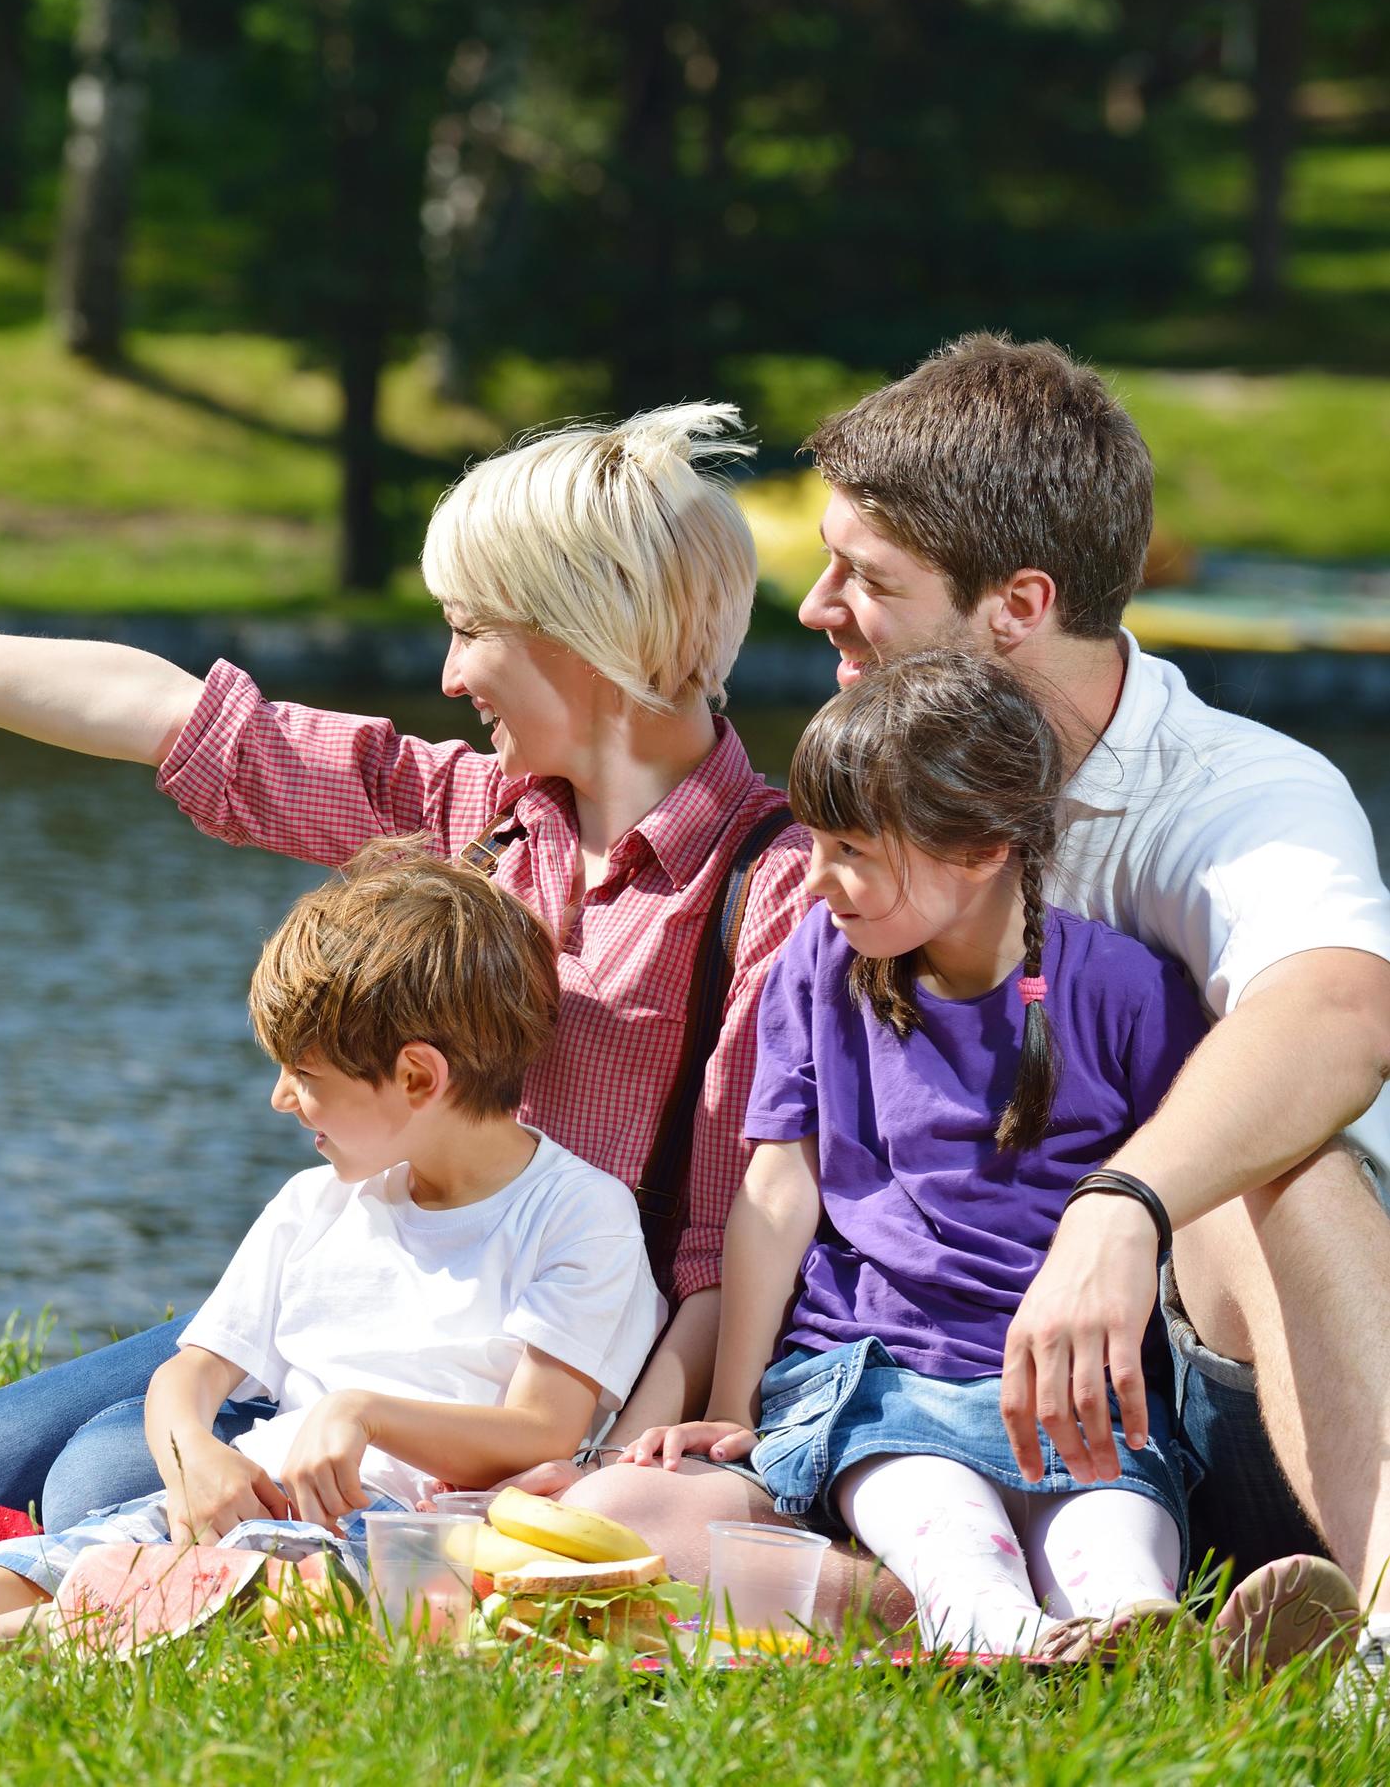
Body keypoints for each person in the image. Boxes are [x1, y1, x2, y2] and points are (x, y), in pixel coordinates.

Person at [0, 402, 807, 1530]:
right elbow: (166, 713)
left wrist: (596, 1474)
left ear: (587, 634)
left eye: (471, 627)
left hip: (507, 1375)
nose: (448, 675)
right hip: (345, 1311)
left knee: (99, 1483)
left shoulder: (777, 884)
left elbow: (718, 1237)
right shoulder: (468, 812)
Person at [566, 335, 1390, 1688]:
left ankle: (1364, 1636)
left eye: (867, 580)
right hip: (917, 1396)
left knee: (1284, 1163)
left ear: (1017, 605)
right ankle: (1022, 1638)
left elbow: (1342, 1011)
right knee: (626, 1529)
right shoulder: (857, 838)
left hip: (1198, 1400)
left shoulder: (1239, 792)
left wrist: (1120, 1210)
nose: (817, 606)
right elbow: (777, 1169)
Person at [0, 842, 662, 1651]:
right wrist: (194, 1454)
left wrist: (361, 1412)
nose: (280, 1098)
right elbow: (191, 1371)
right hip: (260, 1493)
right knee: (87, 1553)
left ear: (415, 1077)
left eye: (307, 1076)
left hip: (414, 1535)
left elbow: (541, 1430)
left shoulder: (577, 1213)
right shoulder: (315, 1206)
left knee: (266, 1592)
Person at [624, 652, 1203, 1658]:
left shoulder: (1131, 992)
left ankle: (1145, 1636)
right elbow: (778, 1189)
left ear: (980, 848)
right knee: (949, 1539)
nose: (813, 876)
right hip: (879, 1379)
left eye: (850, 847)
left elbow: (1189, 1206)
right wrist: (734, 1411)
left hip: (1074, 1398)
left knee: (1114, 1553)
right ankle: (1000, 1636)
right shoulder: (820, 961)